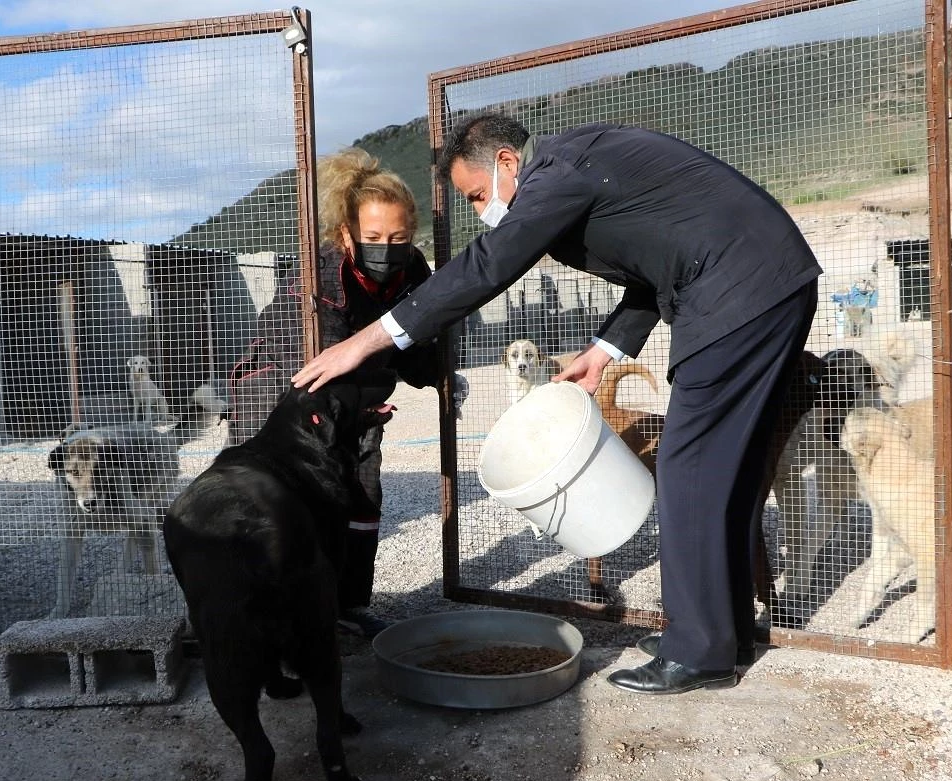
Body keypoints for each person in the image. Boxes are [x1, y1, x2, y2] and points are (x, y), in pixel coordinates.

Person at [293, 114, 820, 693]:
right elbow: (660, 265)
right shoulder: (583, 163)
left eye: (474, 195)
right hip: (760, 282)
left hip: (736, 295)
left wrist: (362, 344)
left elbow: (487, 265)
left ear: (507, 164)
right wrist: (603, 350)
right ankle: (723, 633)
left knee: (687, 467)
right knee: (727, 470)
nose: (479, 212)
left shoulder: (556, 173)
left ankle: (697, 651)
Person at [309, 147, 458, 638]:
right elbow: (321, 357)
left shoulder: (412, 267)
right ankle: (294, 613)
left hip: (364, 402)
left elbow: (417, 336)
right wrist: (357, 402)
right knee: (301, 502)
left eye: (397, 237)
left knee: (362, 495)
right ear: (346, 233)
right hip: (287, 391)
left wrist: (439, 376)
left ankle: (349, 604)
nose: (386, 247)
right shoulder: (321, 271)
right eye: (372, 237)